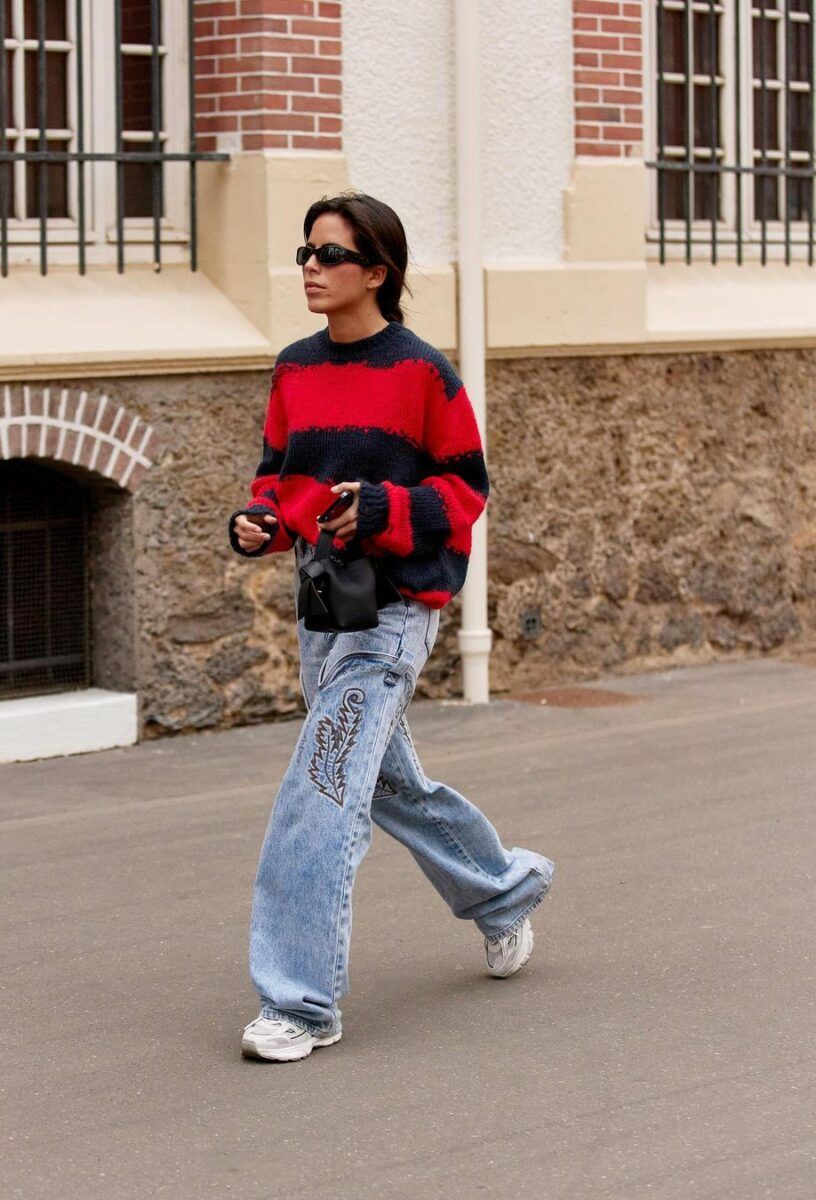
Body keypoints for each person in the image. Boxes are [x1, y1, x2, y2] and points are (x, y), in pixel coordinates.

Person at [228, 192, 554, 1063]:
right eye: (305, 252)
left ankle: (299, 1003)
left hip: (396, 610)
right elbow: (278, 481)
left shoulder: (422, 374)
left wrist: (380, 508)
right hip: (326, 606)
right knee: (384, 784)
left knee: (320, 791)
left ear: (377, 271)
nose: (310, 267)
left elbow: (466, 492)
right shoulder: (295, 369)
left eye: (330, 255)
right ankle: (504, 892)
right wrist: (260, 525)